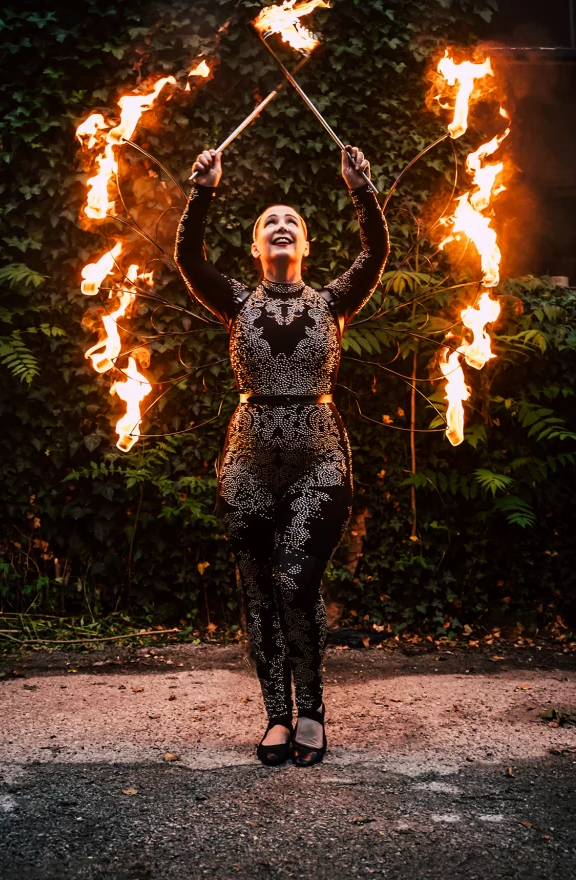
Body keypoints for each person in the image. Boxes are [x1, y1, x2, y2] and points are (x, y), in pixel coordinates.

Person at [174, 145, 389, 766]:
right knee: (260, 592)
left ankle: (311, 710)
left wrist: (360, 187)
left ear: (306, 245)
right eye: (269, 221)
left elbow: (375, 252)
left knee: (296, 580)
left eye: (292, 220)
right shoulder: (237, 302)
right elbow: (189, 258)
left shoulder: (332, 302)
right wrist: (204, 190)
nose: (281, 225)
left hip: (319, 462)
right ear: (255, 247)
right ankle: (276, 715)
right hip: (247, 465)